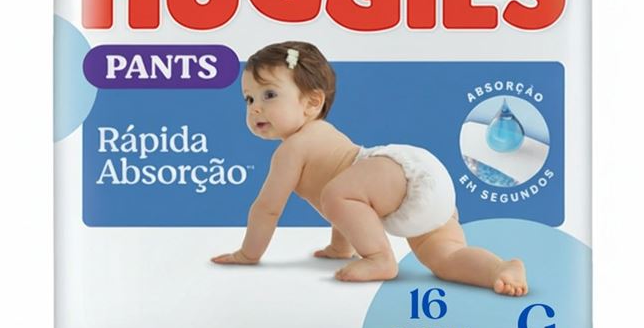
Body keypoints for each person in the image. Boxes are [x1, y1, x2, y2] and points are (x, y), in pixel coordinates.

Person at [211, 41, 528, 296]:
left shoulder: (293, 148)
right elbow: (350, 206)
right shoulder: (327, 138)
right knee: (445, 256)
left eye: (269, 95)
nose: (255, 108)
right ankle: (499, 269)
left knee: (336, 195)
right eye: (248, 99)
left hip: (392, 171)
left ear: (311, 102)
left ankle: (380, 258)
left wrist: (248, 254)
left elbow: (267, 209)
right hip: (422, 185)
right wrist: (340, 247)